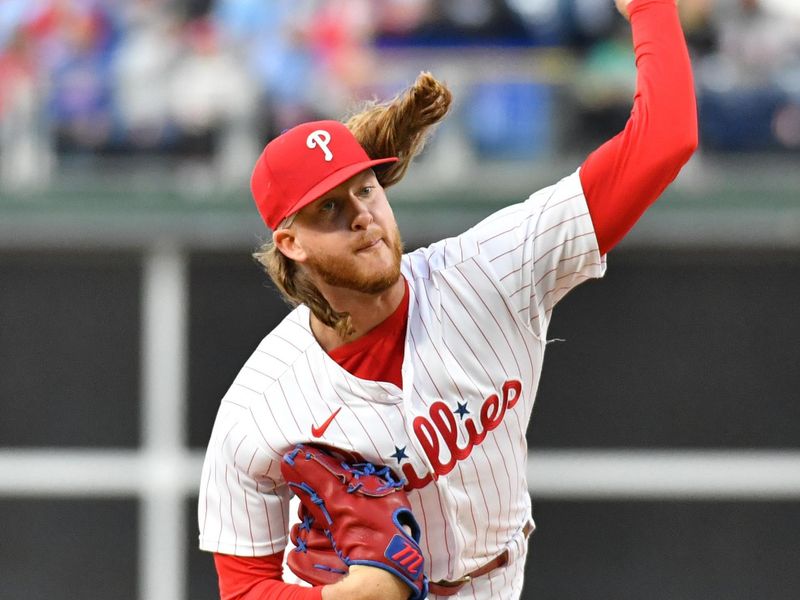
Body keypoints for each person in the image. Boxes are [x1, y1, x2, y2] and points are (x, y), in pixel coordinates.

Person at [197, 0, 697, 598]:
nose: (363, 216)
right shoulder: (260, 406)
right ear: (290, 242)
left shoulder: (486, 275)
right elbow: (244, 587)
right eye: (330, 208)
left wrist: (648, 7)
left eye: (365, 190)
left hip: (500, 580)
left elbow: (665, 138)